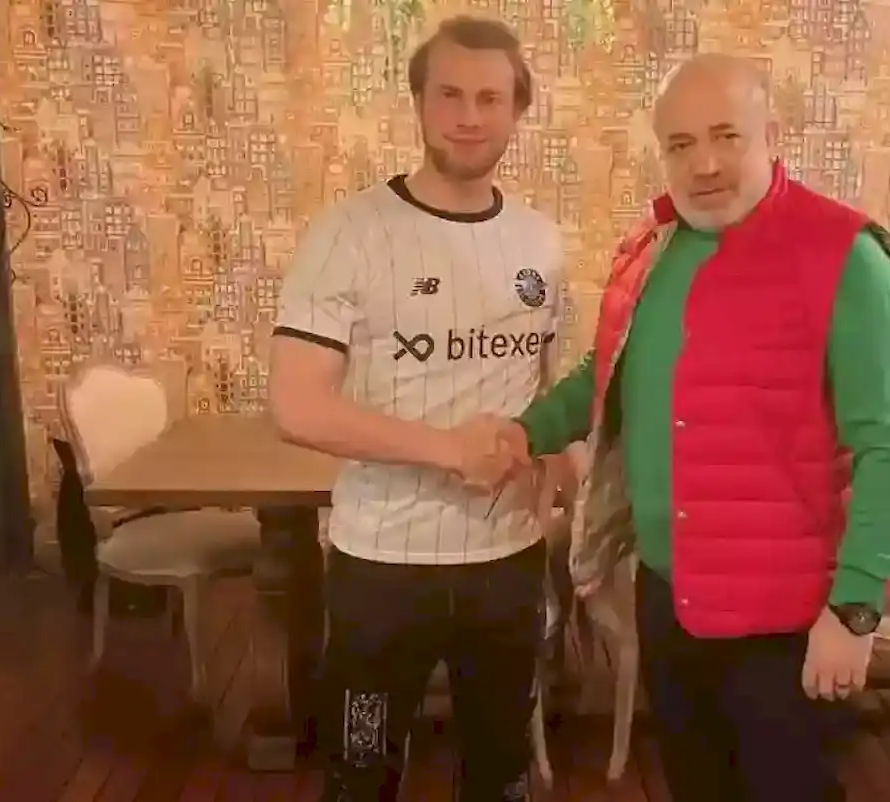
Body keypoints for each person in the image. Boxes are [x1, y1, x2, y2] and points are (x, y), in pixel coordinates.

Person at [480, 54, 890, 802]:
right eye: (681, 144)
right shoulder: (656, 250)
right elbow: (608, 372)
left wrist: (855, 610)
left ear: (771, 135)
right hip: (669, 598)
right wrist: (527, 431)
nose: (705, 164)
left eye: (726, 136)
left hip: (786, 623)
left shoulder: (847, 256)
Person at [267, 16, 566, 802]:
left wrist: (564, 460)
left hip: (507, 562)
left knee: (502, 775)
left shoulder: (540, 243)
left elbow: (549, 389)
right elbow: (296, 406)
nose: (469, 115)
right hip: (382, 567)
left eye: (490, 98)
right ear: (419, 103)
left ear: (518, 109)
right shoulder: (348, 233)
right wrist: (448, 449)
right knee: (361, 774)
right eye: (450, 95)